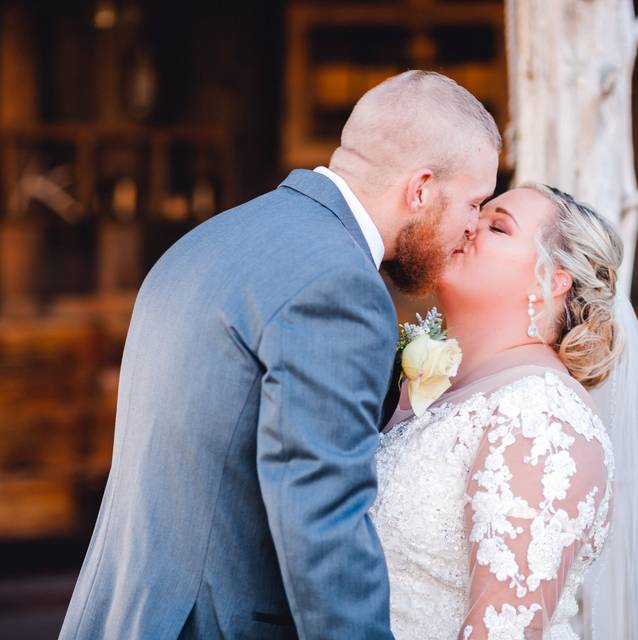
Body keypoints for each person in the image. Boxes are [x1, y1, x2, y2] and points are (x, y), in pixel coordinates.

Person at [58, 70, 499, 639]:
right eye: (473, 202)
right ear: (419, 190)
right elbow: (323, 522)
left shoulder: (213, 238)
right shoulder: (338, 284)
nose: (472, 228)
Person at [370, 185, 638, 638]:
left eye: (497, 225)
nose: (466, 226)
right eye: (476, 213)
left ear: (554, 280)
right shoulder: (445, 387)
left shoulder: (541, 419)